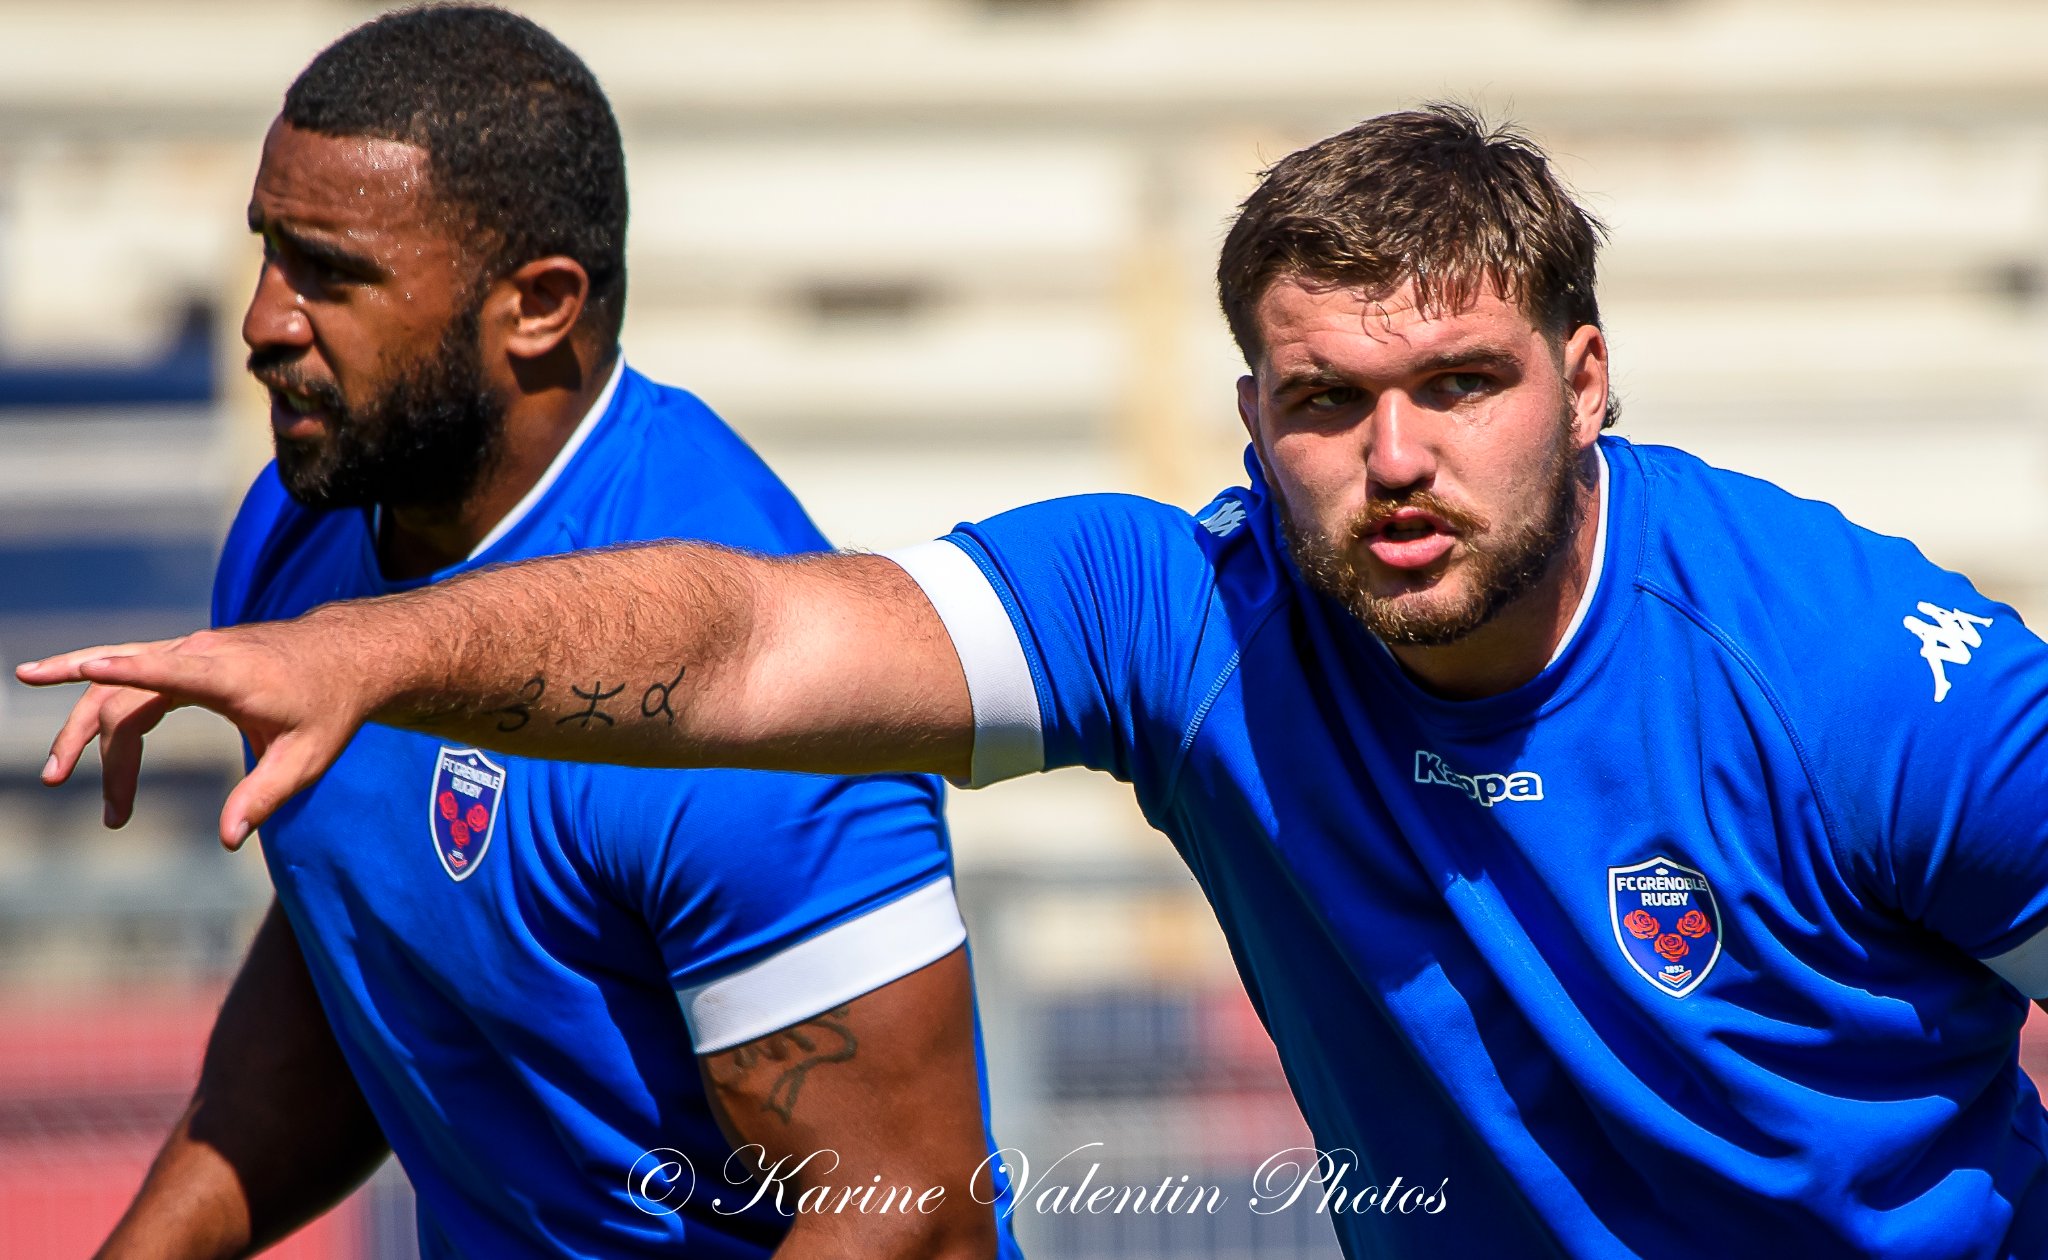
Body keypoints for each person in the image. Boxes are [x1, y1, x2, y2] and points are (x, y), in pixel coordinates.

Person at [26, 103, 2048, 1257]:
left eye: (1463, 385)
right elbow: (745, 640)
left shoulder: (1860, 680)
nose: (1398, 458)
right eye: (1330, 402)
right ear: (1251, 413)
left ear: (1587, 381)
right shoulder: (1178, 617)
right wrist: (366, 651)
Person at [49, 9, 1017, 1259]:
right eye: (268, 253)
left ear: (540, 305)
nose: (263, 321)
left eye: (328, 273)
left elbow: (916, 1212)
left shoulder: (749, 713)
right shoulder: (298, 535)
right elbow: (365, 941)